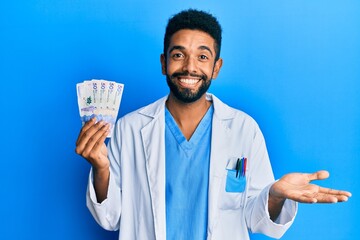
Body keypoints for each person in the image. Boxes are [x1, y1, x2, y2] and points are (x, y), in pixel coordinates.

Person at [75, 9, 351, 240]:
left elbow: (255, 218)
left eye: (202, 57)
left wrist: (275, 194)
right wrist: (101, 167)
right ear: (164, 62)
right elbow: (110, 218)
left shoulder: (244, 129)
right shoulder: (130, 128)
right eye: (178, 54)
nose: (189, 67)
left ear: (216, 68)